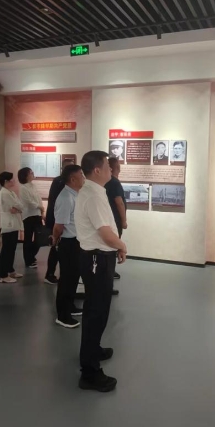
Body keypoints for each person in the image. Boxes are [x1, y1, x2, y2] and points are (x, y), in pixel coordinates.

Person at [75, 150, 127, 392]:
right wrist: (121, 245)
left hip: (100, 256)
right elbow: (105, 233)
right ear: (97, 170)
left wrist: (115, 246)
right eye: (107, 166)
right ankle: (89, 372)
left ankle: (92, 349)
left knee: (98, 309)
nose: (111, 169)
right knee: (96, 312)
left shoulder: (95, 191)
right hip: (97, 258)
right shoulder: (92, 195)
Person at [53, 164, 86, 328]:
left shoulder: (76, 194)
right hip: (68, 243)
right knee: (66, 279)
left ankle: (70, 306)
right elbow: (59, 225)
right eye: (81, 175)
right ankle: (62, 315)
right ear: (73, 179)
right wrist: (54, 240)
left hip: (77, 242)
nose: (84, 177)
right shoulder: (66, 197)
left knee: (73, 277)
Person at [44, 158, 75, 284]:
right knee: (55, 248)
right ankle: (50, 273)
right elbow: (54, 202)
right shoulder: (59, 182)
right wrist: (53, 223)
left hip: (65, 221)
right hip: (58, 220)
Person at [0, 171, 24, 283]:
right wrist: (18, 208)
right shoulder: (4, 193)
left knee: (12, 249)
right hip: (8, 225)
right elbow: (16, 206)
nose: (14, 181)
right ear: (6, 181)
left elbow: (20, 206)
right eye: (12, 179)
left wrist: (18, 209)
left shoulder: (10, 192)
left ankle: (10, 269)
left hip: (13, 224)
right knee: (6, 250)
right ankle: (2, 274)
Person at [18, 167, 44, 269]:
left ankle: (31, 255)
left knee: (40, 238)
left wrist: (41, 210)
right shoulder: (23, 188)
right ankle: (28, 260)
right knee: (28, 238)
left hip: (37, 214)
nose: (33, 174)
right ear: (25, 176)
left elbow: (38, 199)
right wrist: (39, 206)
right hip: (29, 216)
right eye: (30, 173)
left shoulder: (33, 186)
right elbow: (28, 202)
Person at [105, 157, 126, 280]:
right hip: (115, 219)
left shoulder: (108, 182)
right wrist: (124, 221)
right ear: (116, 167)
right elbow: (119, 203)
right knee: (113, 245)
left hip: (110, 219)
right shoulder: (114, 182)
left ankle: (110, 270)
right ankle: (110, 271)